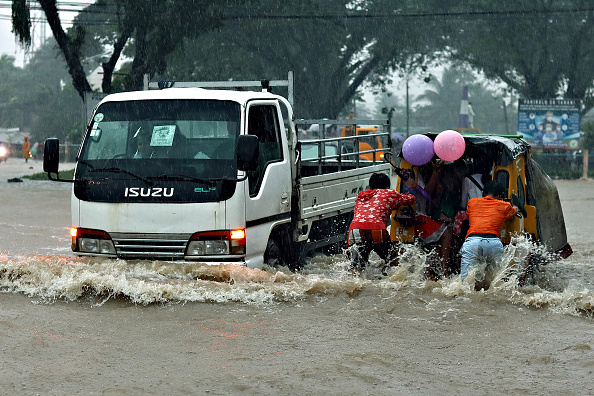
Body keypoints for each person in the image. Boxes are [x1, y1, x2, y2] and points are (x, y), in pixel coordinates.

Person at [347, 172, 417, 272]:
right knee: (392, 259)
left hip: (355, 230)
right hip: (376, 229)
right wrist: (411, 187)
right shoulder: (388, 193)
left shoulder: (361, 196)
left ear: (370, 186)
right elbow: (411, 199)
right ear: (387, 186)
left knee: (358, 266)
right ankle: (387, 280)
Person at [460, 180, 518, 284]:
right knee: (494, 282)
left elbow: (470, 214)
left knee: (466, 283)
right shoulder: (505, 206)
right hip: (494, 244)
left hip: (473, 242)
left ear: (482, 193)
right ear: (501, 195)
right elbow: (514, 210)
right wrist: (514, 206)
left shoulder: (472, 202)